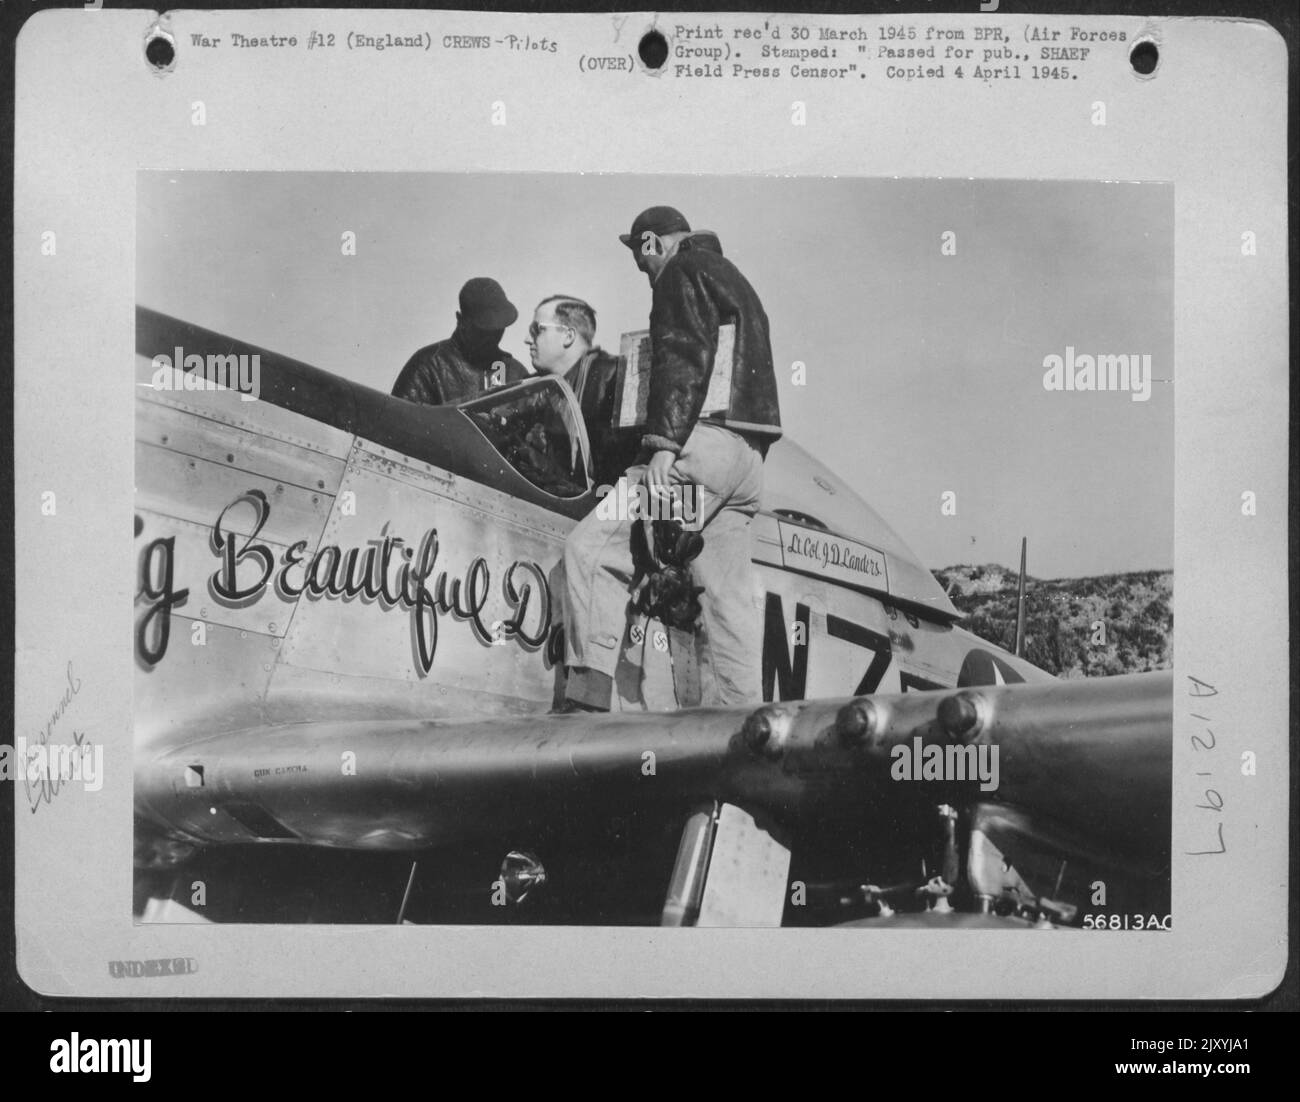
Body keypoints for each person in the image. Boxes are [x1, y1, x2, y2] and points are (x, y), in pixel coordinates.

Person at [560, 207, 782, 711]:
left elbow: (683, 354)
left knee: (592, 551)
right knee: (726, 604)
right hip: (744, 463)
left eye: (641, 259)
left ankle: (585, 705)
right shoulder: (732, 278)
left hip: (695, 453)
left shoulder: (680, 272)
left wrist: (663, 446)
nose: (644, 272)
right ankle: (740, 730)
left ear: (652, 245)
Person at [524, 295, 640, 485]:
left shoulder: (616, 378)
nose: (527, 339)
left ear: (568, 336)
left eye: (537, 330)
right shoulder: (533, 387)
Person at [392, 277, 529, 406]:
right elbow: (398, 424)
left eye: (498, 329)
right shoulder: (426, 367)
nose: (491, 337)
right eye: (483, 330)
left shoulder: (515, 373)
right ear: (460, 320)